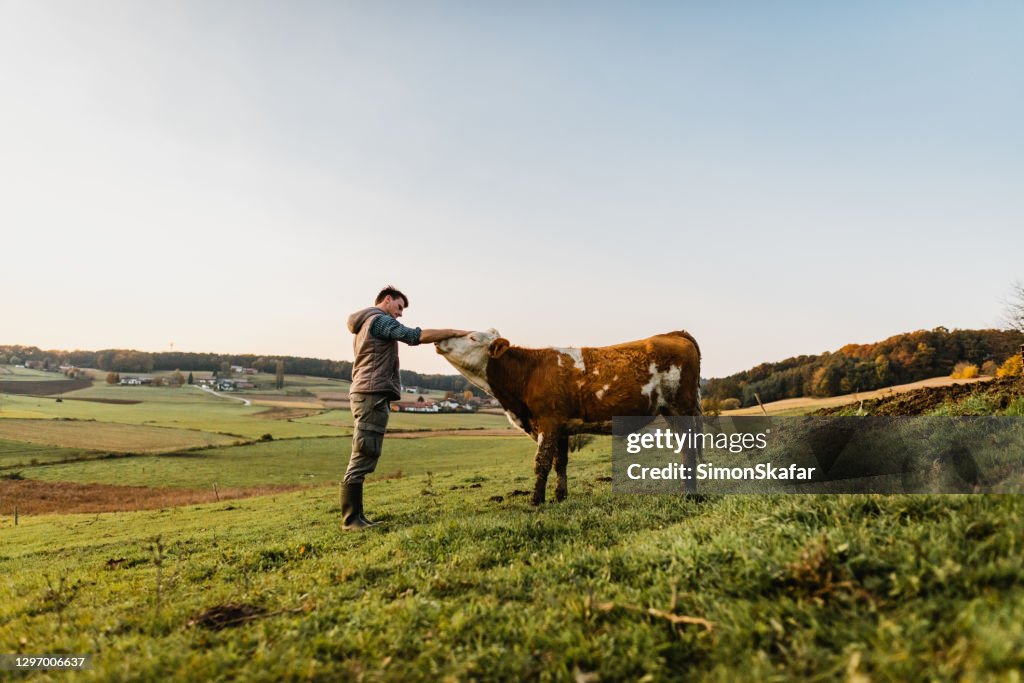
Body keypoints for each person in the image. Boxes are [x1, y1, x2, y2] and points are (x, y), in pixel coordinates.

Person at [342, 286, 468, 531]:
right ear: (387, 300)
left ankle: (356, 516)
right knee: (364, 451)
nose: (400, 314)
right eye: (399, 307)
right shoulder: (378, 320)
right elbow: (413, 336)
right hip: (371, 394)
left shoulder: (367, 323)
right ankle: (351, 519)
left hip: (369, 393)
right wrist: (454, 332)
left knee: (367, 450)